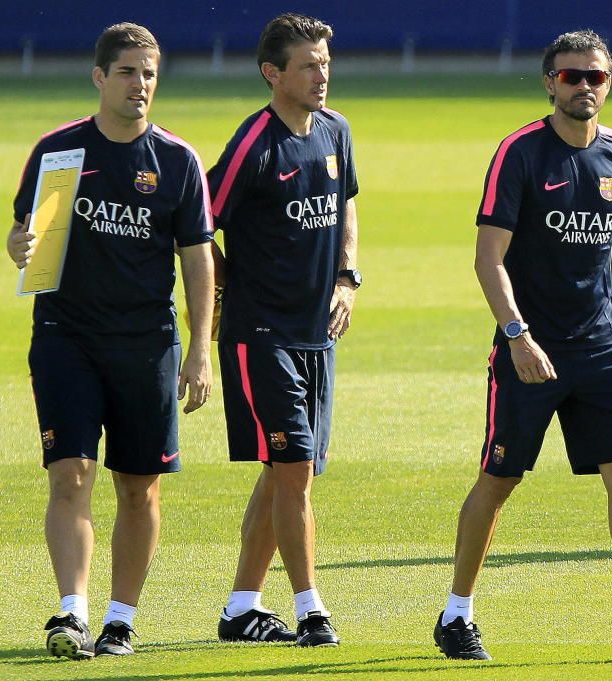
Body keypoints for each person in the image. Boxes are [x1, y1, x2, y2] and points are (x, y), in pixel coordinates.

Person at [433, 30, 612, 663]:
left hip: (601, 349)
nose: (584, 87)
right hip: (529, 348)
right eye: (571, 77)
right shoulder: (520, 153)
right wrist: (516, 335)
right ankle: (456, 615)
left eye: (595, 77)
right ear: (548, 82)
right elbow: (489, 256)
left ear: (609, 82)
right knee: (500, 478)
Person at [6, 22, 215, 659]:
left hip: (147, 343)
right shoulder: (59, 151)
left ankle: (121, 619)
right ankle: (71, 614)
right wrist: (17, 246)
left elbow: (199, 260)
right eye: (127, 72)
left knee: (137, 485)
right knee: (70, 475)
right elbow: (26, 236)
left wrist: (200, 348)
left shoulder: (176, 160)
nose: (140, 85)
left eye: (149, 73)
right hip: (65, 336)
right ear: (100, 77)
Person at [205, 12, 360, 647]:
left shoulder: (335, 130)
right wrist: (219, 288)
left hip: (315, 335)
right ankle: (311, 609)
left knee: (285, 471)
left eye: (326, 61)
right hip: (261, 332)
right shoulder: (254, 144)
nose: (322, 74)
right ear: (274, 74)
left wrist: (347, 277)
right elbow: (197, 223)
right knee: (292, 466)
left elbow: (347, 199)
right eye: (309, 64)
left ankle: (242, 608)